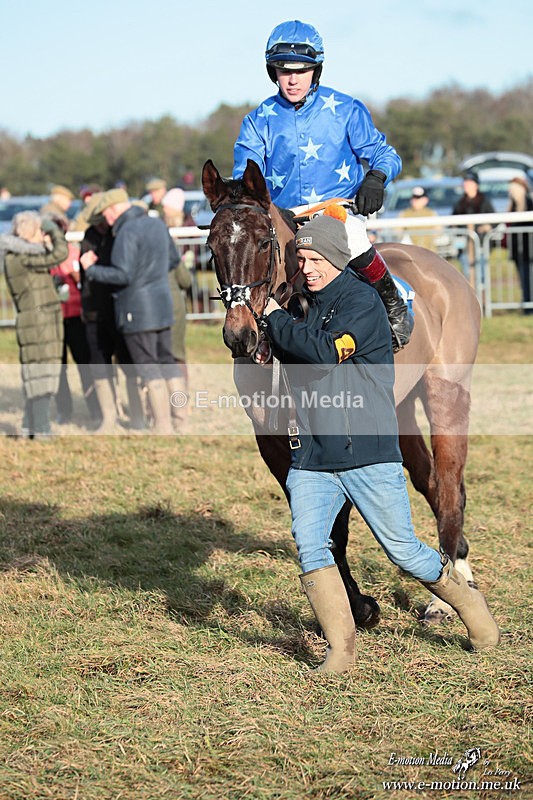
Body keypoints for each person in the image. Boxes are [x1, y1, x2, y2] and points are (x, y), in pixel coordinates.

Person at [261, 213, 499, 672]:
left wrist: (270, 315)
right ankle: (341, 651)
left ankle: (471, 607)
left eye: (316, 259)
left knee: (404, 551)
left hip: (366, 454)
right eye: (302, 259)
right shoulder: (300, 306)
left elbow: (323, 353)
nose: (307, 267)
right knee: (311, 549)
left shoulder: (364, 305)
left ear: (336, 258)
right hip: (313, 457)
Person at [233, 20, 411, 350]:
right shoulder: (258, 120)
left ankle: (393, 307)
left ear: (317, 70)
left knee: (355, 237)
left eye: (302, 70)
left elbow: (383, 153)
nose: (293, 79)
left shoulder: (346, 109)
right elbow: (246, 173)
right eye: (284, 71)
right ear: (273, 72)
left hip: (336, 215)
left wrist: (377, 177)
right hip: (283, 220)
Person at [80, 188, 182, 434]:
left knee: (148, 366)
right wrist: (151, 275)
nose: (106, 220)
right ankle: (181, 420)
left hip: (137, 310)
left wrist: (91, 269)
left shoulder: (126, 231)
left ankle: (162, 426)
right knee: (168, 362)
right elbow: (173, 260)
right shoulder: (156, 224)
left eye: (105, 214)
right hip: (162, 305)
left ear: (112, 209)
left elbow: (123, 274)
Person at [79, 194, 144, 433]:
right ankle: (109, 418)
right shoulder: (89, 237)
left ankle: (137, 416)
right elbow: (85, 275)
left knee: (129, 365)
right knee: (99, 365)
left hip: (120, 309)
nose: (101, 224)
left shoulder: (122, 233)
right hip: (95, 311)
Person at [0, 212, 67, 438]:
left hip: (40, 318)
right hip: (38, 321)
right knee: (41, 374)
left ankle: (30, 426)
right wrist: (53, 228)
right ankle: (42, 429)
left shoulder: (20, 255)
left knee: (37, 374)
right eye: (39, 230)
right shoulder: (20, 257)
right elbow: (60, 253)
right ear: (29, 232)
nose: (43, 235)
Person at [50, 217, 101, 426]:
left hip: (75, 316)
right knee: (58, 368)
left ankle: (95, 408)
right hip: (55, 318)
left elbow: (83, 281)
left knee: (85, 365)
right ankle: (64, 409)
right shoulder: (45, 257)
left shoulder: (72, 251)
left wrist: (74, 273)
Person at [161, 188, 195, 430]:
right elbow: (185, 280)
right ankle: (180, 405)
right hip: (173, 304)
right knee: (176, 356)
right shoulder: (168, 242)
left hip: (156, 307)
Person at [452, 172, 494, 284]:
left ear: (476, 184)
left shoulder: (484, 202)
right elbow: (453, 222)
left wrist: (486, 227)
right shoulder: (460, 203)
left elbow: (494, 221)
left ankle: (482, 300)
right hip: (464, 246)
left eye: (469, 182)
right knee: (467, 275)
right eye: (465, 182)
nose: (466, 184)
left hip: (480, 245)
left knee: (481, 276)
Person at [506, 175, 533, 314]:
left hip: (528, 249)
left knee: (529, 278)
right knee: (523, 279)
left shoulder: (527, 202)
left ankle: (529, 306)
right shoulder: (513, 205)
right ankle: (527, 304)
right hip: (518, 249)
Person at [398, 186, 440, 251]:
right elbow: (397, 233)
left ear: (425, 200)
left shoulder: (431, 213)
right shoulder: (404, 214)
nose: (415, 200)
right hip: (411, 252)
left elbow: (438, 232)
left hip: (430, 251)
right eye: (414, 198)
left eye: (418, 198)